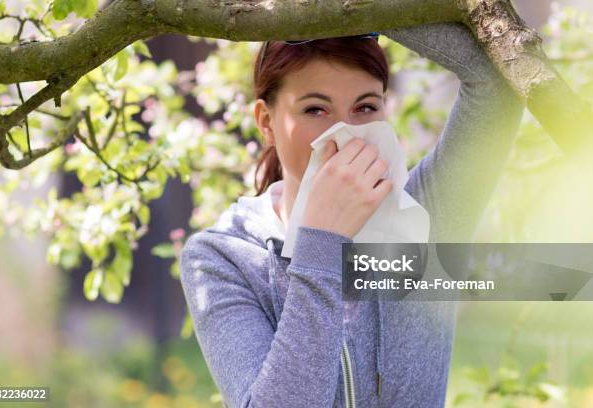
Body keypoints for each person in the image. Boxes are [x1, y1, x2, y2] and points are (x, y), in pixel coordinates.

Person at [179, 22, 523, 407]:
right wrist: (322, 240)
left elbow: (500, 76)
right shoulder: (223, 257)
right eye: (315, 109)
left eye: (365, 107)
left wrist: (367, 11)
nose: (344, 133)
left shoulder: (428, 214)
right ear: (266, 122)